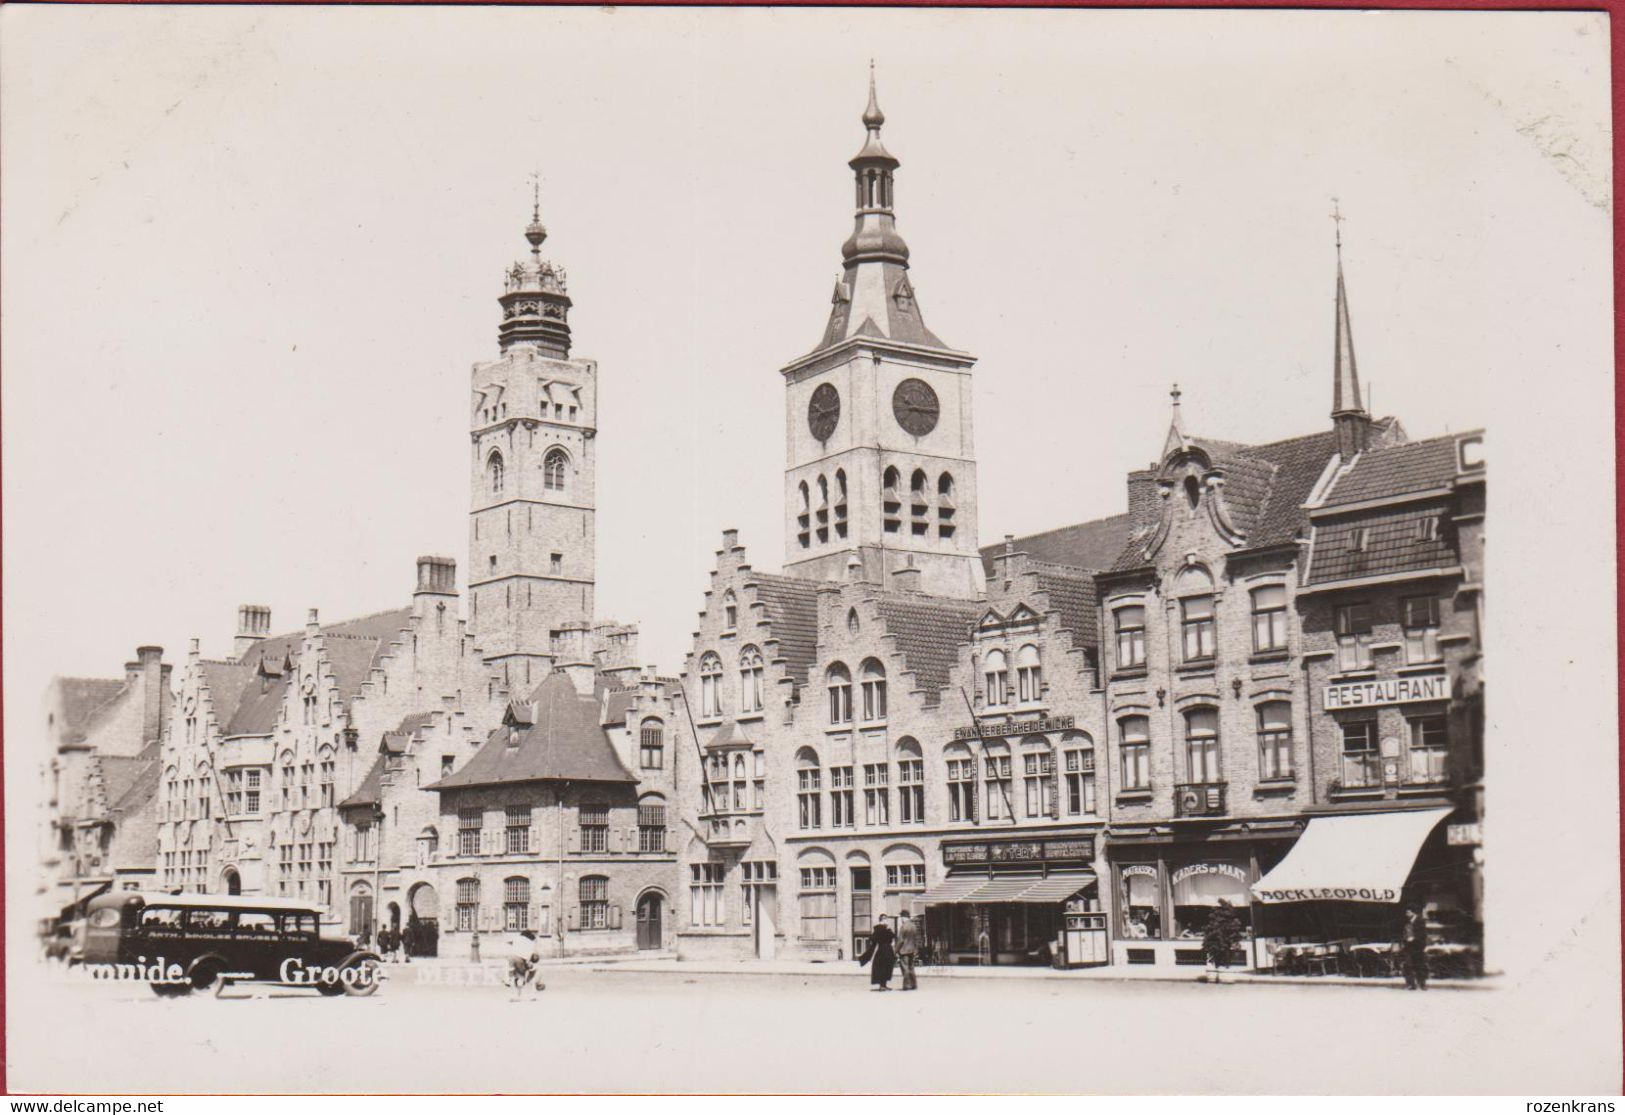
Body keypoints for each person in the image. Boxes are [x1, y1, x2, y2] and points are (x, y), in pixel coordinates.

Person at [859, 915, 897, 990]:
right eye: (885, 919)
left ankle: (884, 985)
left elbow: (874, 939)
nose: (887, 921)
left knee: (885, 967)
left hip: (885, 950)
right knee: (883, 967)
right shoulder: (882, 929)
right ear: (882, 920)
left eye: (887, 919)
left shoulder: (882, 929)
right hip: (884, 951)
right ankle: (882, 986)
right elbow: (891, 936)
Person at [1400, 903, 1430, 990]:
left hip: (1418, 947)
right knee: (1408, 965)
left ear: (1413, 913)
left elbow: (1423, 934)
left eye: (1408, 912)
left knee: (1419, 965)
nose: (1406, 914)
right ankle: (1411, 984)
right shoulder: (1406, 921)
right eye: (1406, 913)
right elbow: (1404, 932)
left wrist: (1414, 938)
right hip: (1408, 947)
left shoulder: (1420, 921)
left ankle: (1422, 984)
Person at [507, 930, 545, 999]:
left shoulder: (517, 938)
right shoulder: (531, 943)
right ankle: (519, 995)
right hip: (520, 958)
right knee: (520, 977)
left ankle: (513, 991)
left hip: (511, 957)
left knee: (513, 976)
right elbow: (531, 955)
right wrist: (528, 964)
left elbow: (509, 942)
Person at [895, 910, 920, 991]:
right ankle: (914, 984)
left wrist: (895, 950)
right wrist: (916, 949)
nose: (901, 919)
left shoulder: (903, 927)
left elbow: (900, 940)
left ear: (903, 917)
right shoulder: (913, 926)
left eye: (901, 917)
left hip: (904, 950)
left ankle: (907, 985)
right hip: (912, 949)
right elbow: (916, 939)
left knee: (905, 968)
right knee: (911, 967)